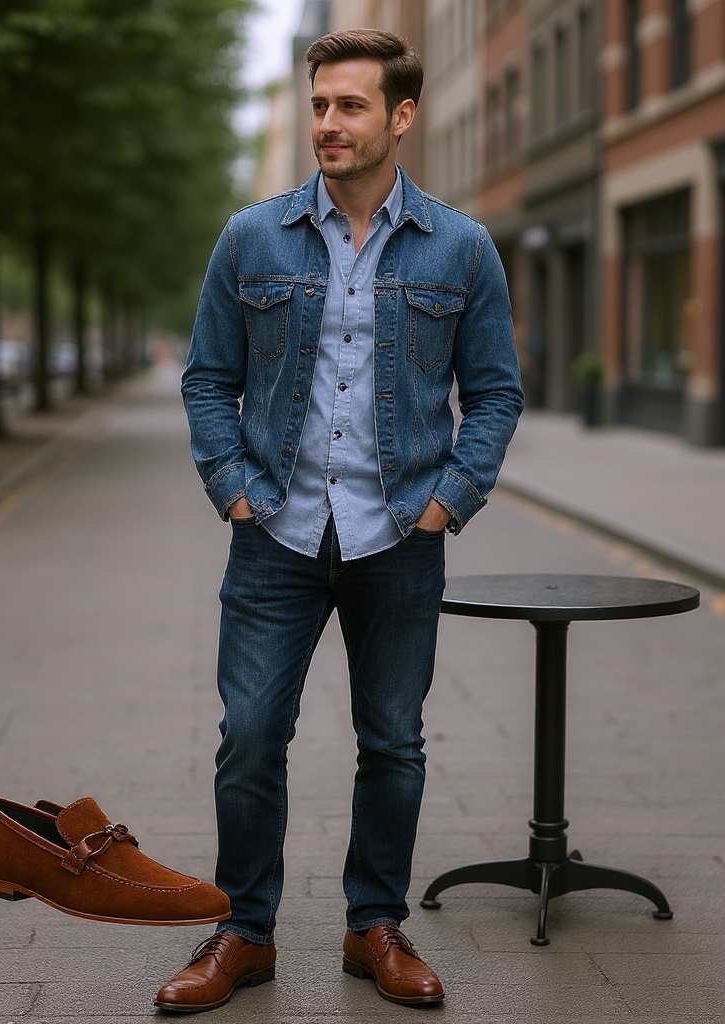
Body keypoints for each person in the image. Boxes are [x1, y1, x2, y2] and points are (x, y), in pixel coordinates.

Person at [158, 28, 523, 1012]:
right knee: (249, 739)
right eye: (319, 104)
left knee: (393, 742)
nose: (327, 122)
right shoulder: (251, 237)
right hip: (273, 530)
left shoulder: (461, 247)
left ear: (400, 117)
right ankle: (244, 931)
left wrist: (451, 497)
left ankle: (375, 925)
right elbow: (206, 380)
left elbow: (492, 393)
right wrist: (231, 481)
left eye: (350, 105)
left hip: (399, 534)